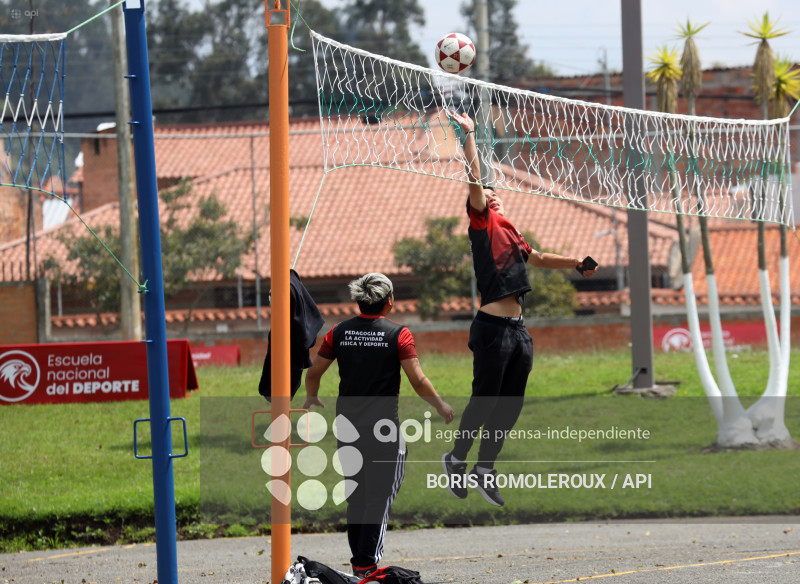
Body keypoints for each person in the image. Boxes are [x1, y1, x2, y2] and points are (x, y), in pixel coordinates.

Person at [441, 110, 598, 508]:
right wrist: (469, 137)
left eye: (495, 190)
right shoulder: (483, 224)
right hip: (492, 329)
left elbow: (540, 258)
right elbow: (475, 179)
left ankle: (484, 468)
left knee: (509, 407)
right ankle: (456, 459)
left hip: (518, 331)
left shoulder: (510, 232)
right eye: (486, 192)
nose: (493, 192)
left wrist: (576, 262)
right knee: (484, 401)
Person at [303, 272, 454, 578]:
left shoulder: (339, 332)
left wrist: (312, 395)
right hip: (384, 430)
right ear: (389, 301)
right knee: (380, 496)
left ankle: (359, 560)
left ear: (359, 301)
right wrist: (440, 405)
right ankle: (367, 564)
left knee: (356, 492)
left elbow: (314, 369)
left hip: (347, 428)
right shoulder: (399, 334)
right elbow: (418, 379)